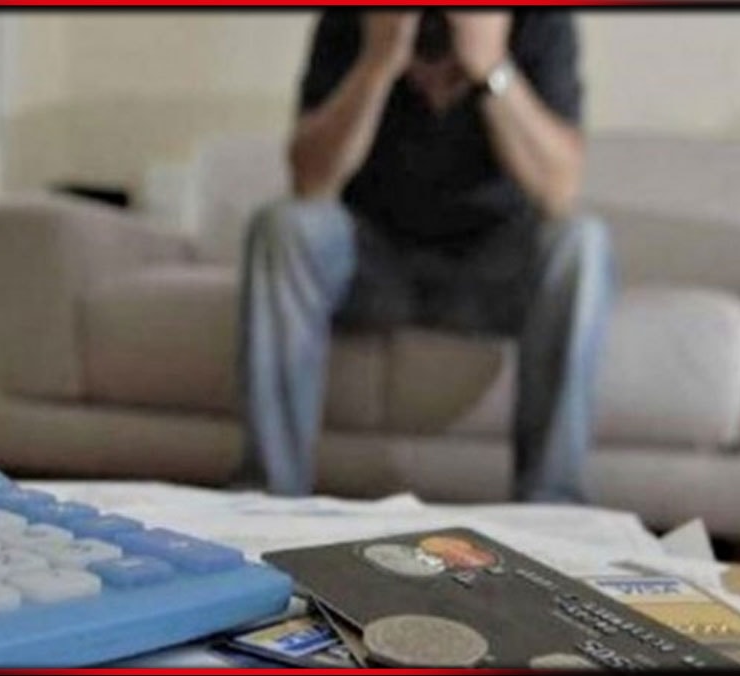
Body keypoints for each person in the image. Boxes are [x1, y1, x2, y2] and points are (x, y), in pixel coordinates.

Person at [238, 10, 616, 503]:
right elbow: (310, 183)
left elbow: (560, 190)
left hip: (491, 273)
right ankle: (270, 497)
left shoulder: (537, 20)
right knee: (284, 225)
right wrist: (376, 65)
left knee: (582, 241)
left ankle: (552, 504)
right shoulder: (353, 18)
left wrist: (492, 67)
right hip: (369, 266)